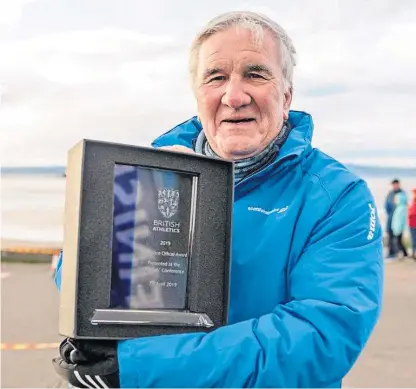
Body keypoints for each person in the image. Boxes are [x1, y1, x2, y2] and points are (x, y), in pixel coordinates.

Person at [52, 11, 383, 388]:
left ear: (286, 95)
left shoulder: (337, 197)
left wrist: (136, 367)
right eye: (217, 77)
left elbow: (322, 338)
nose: (234, 96)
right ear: (199, 95)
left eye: (256, 74)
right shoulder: (145, 175)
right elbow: (84, 282)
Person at [384, 179, 405, 258]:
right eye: (393, 184)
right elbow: (386, 205)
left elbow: (404, 207)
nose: (394, 186)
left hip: (398, 219)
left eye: (396, 184)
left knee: (397, 237)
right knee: (390, 235)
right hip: (390, 218)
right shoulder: (390, 193)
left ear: (398, 184)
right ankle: (390, 253)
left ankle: (397, 252)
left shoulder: (402, 193)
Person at [391, 191, 408, 258]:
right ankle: (403, 254)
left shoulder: (402, 208)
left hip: (399, 229)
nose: (395, 201)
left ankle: (404, 254)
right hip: (396, 228)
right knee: (398, 241)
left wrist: (399, 229)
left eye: (396, 199)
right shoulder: (398, 207)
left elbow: (401, 220)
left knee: (398, 242)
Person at [408, 188, 416, 260]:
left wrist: (409, 212)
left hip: (413, 224)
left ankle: (413, 253)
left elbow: (413, 213)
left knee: (414, 239)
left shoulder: (414, 202)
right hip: (412, 223)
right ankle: (413, 253)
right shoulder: (413, 201)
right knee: (413, 239)